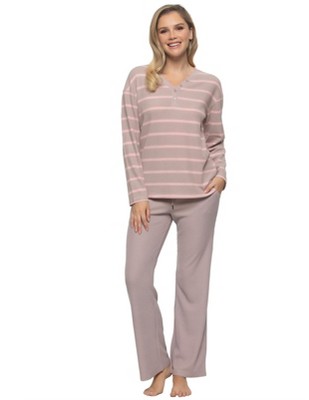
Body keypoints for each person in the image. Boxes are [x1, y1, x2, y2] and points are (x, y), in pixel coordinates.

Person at [121, 4, 227, 397]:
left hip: (200, 194)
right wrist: (137, 195)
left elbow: (215, 138)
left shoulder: (209, 84)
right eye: (164, 30)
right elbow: (130, 140)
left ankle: (183, 370)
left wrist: (220, 175)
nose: (172, 36)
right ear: (157, 37)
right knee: (136, 277)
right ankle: (158, 364)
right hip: (151, 199)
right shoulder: (138, 79)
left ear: (191, 32)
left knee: (192, 283)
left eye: (178, 28)